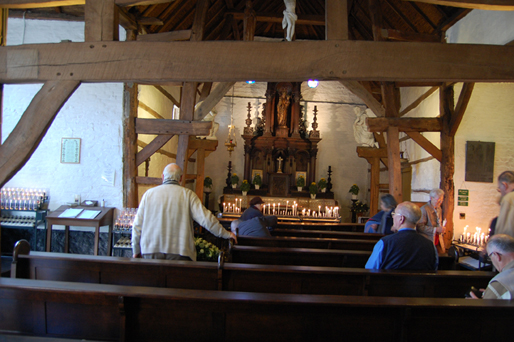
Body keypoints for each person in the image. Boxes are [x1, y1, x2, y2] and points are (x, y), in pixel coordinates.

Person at [132, 163, 237, 261]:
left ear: (163, 177)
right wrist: (226, 234)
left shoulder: (148, 195)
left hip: (151, 250)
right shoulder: (188, 195)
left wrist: (136, 250)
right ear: (181, 179)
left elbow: (137, 225)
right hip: (180, 252)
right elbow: (206, 219)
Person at [365, 201, 438, 270]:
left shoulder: (384, 243)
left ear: (401, 219)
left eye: (394, 214)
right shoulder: (430, 246)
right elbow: (434, 268)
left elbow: (370, 268)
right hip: (421, 283)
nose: (392, 217)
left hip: (388, 282)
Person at [469, 234, 514, 299]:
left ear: (496, 255)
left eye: (490, 257)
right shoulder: (496, 289)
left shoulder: (499, 283)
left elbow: (487, 308)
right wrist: (492, 293)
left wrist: (478, 303)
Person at [416, 188, 446, 253]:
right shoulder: (424, 209)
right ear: (431, 198)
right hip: (427, 241)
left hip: (437, 240)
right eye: (438, 199)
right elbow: (420, 227)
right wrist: (436, 229)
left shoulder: (439, 209)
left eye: (442, 200)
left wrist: (441, 229)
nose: (440, 202)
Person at [494, 171, 514, 238]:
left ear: (505, 185)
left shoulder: (509, 198)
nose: (501, 193)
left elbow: (504, 234)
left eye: (499, 188)